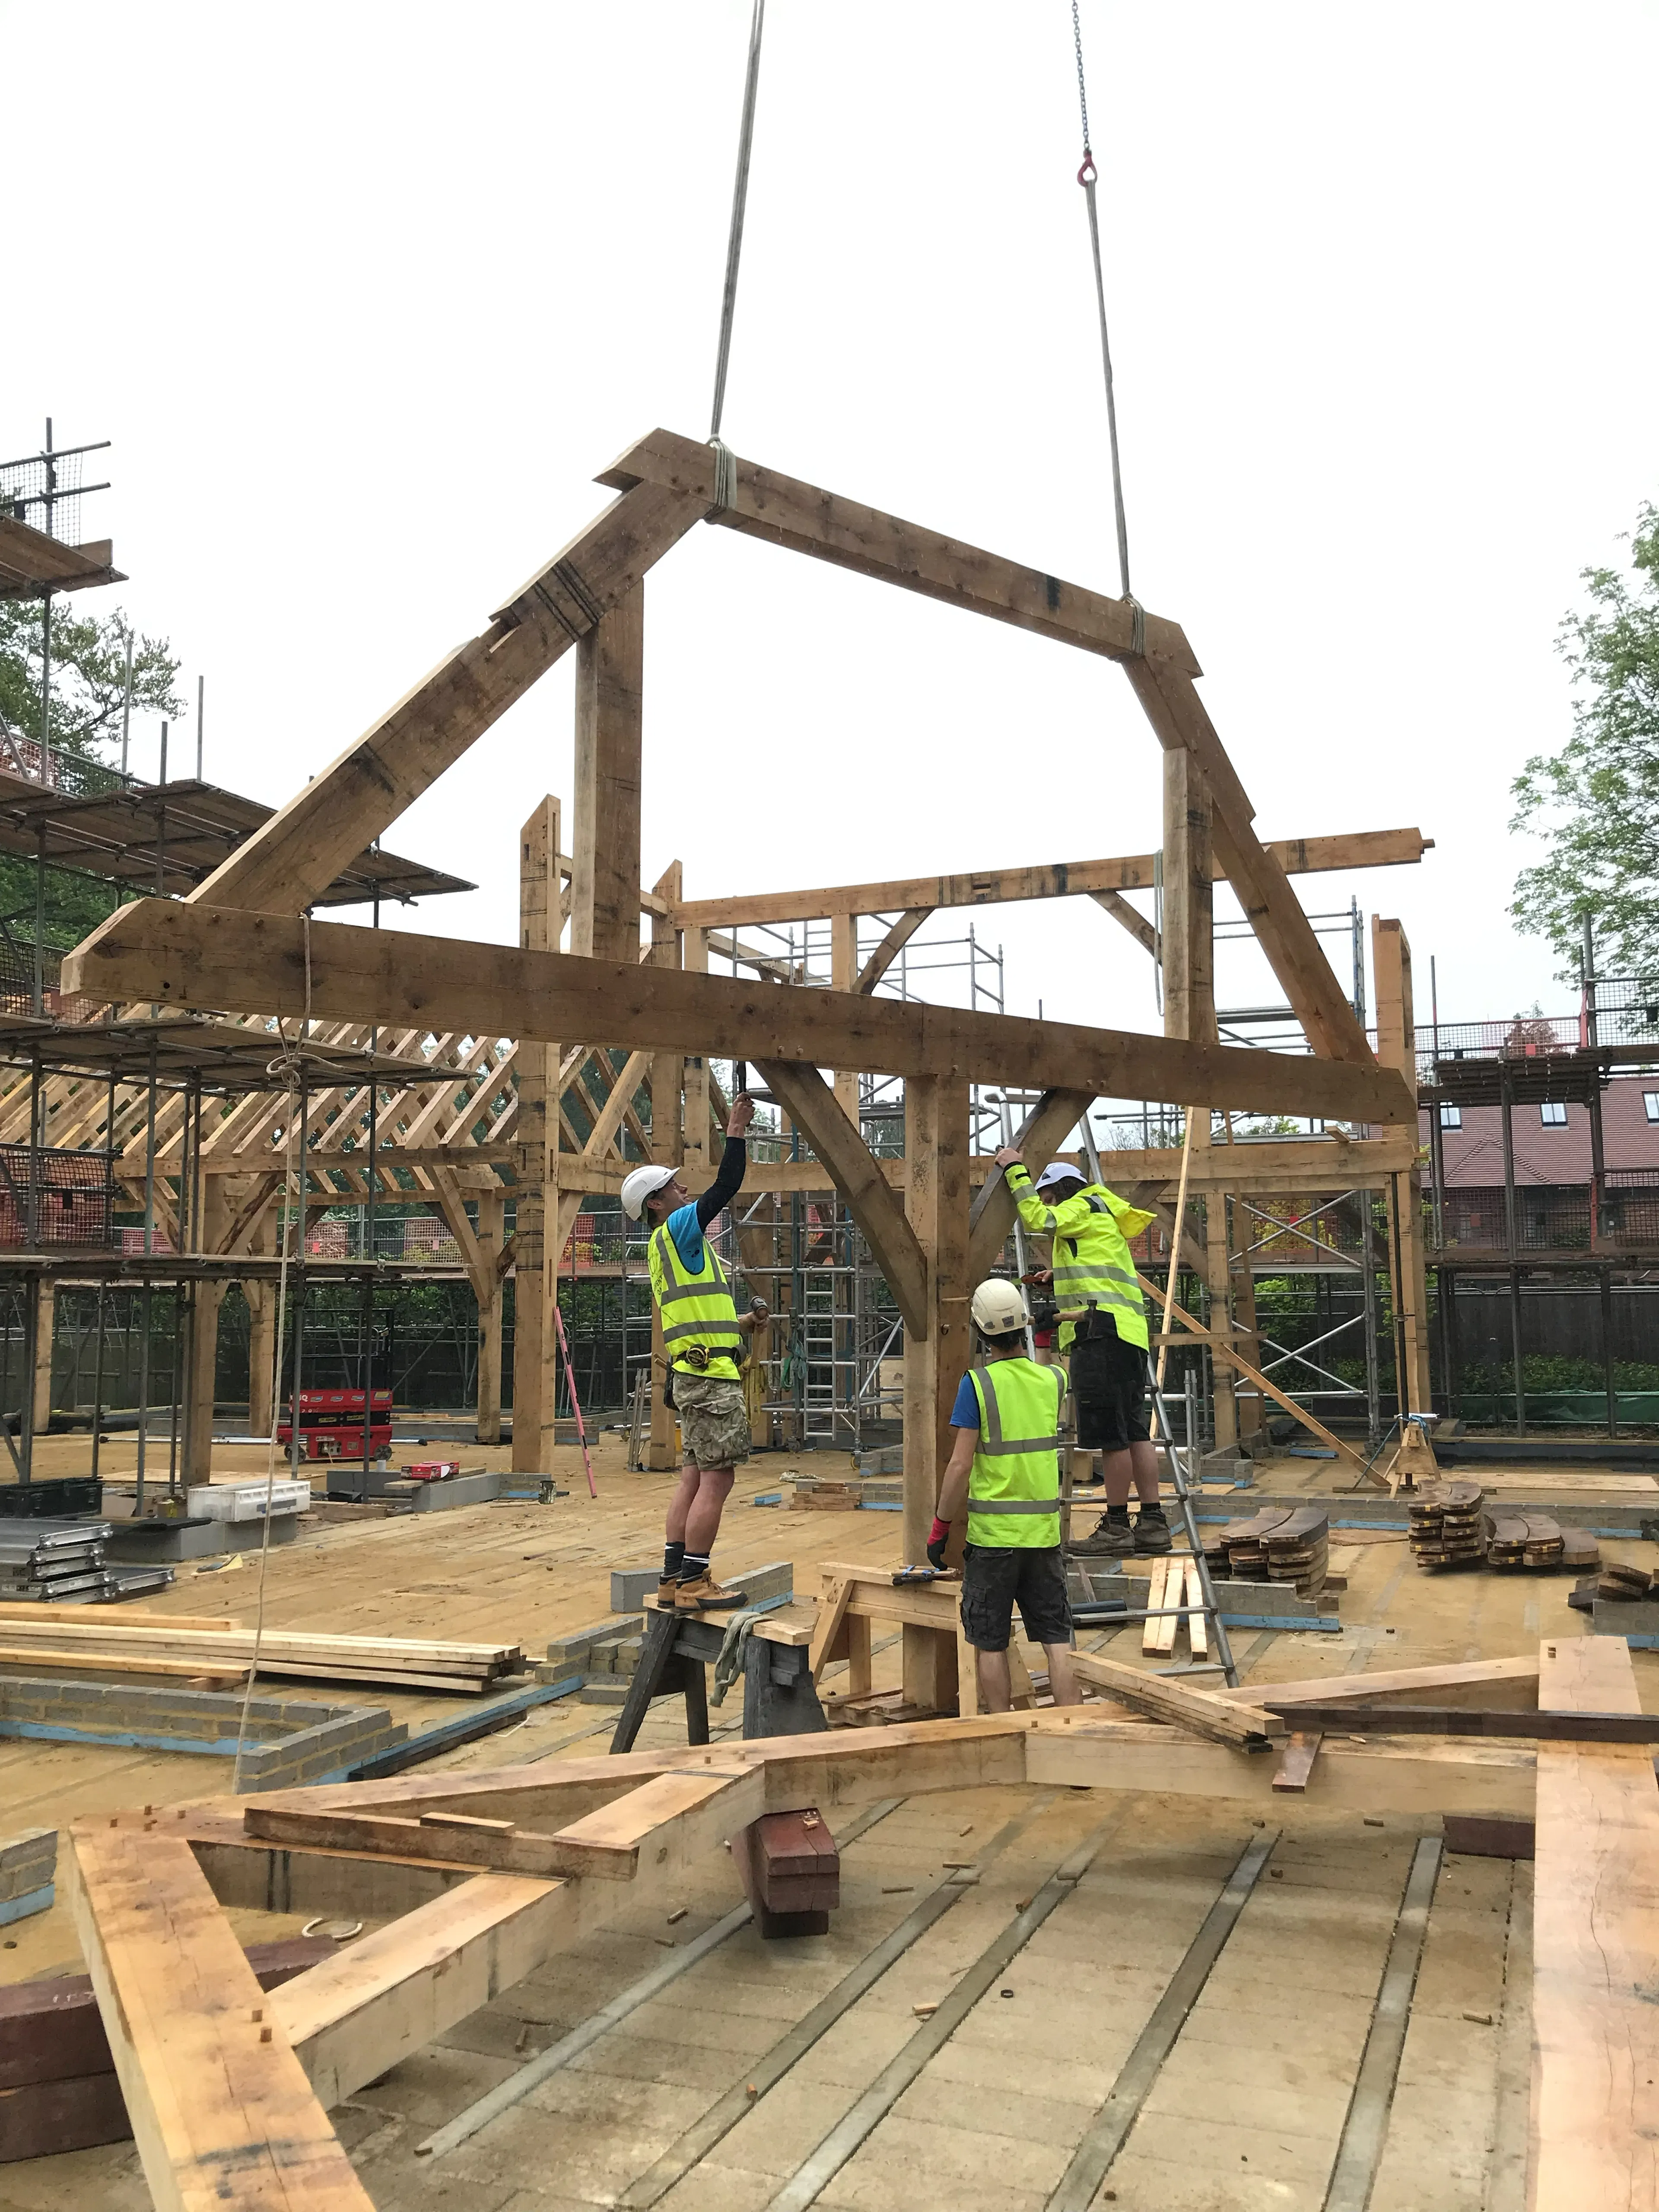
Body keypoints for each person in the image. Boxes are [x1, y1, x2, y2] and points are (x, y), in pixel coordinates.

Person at [621, 1094, 769, 1612]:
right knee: (718, 1476)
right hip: (710, 1380)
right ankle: (695, 1580)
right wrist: (735, 1130)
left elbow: (694, 1318)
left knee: (692, 1476)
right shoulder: (679, 1229)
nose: (684, 1188)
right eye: (673, 1186)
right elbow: (725, 1188)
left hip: (693, 1370)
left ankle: (671, 1576)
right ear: (656, 1203)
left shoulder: (665, 1246)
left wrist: (743, 1324)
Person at [993, 1147, 1172, 1558]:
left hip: (1098, 1333)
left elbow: (1038, 1218)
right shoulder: (1103, 1213)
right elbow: (1097, 1269)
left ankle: (1115, 1526)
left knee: (1112, 1439)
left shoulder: (1080, 1205)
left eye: (1049, 1194)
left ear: (1060, 1189)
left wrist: (1016, 1170)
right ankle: (1152, 1523)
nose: (1048, 1203)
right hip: (1125, 1332)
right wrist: (1057, 1278)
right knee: (1134, 1431)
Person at [925, 1278, 1082, 1714]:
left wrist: (940, 1527)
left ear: (980, 1331)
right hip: (1044, 1538)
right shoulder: (1051, 1379)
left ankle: (1005, 1731)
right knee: (1057, 1639)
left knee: (990, 1640)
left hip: (994, 1541)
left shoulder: (978, 1385)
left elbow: (959, 1465)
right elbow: (1048, 1371)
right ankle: (1075, 1727)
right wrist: (1047, 1338)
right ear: (1023, 1329)